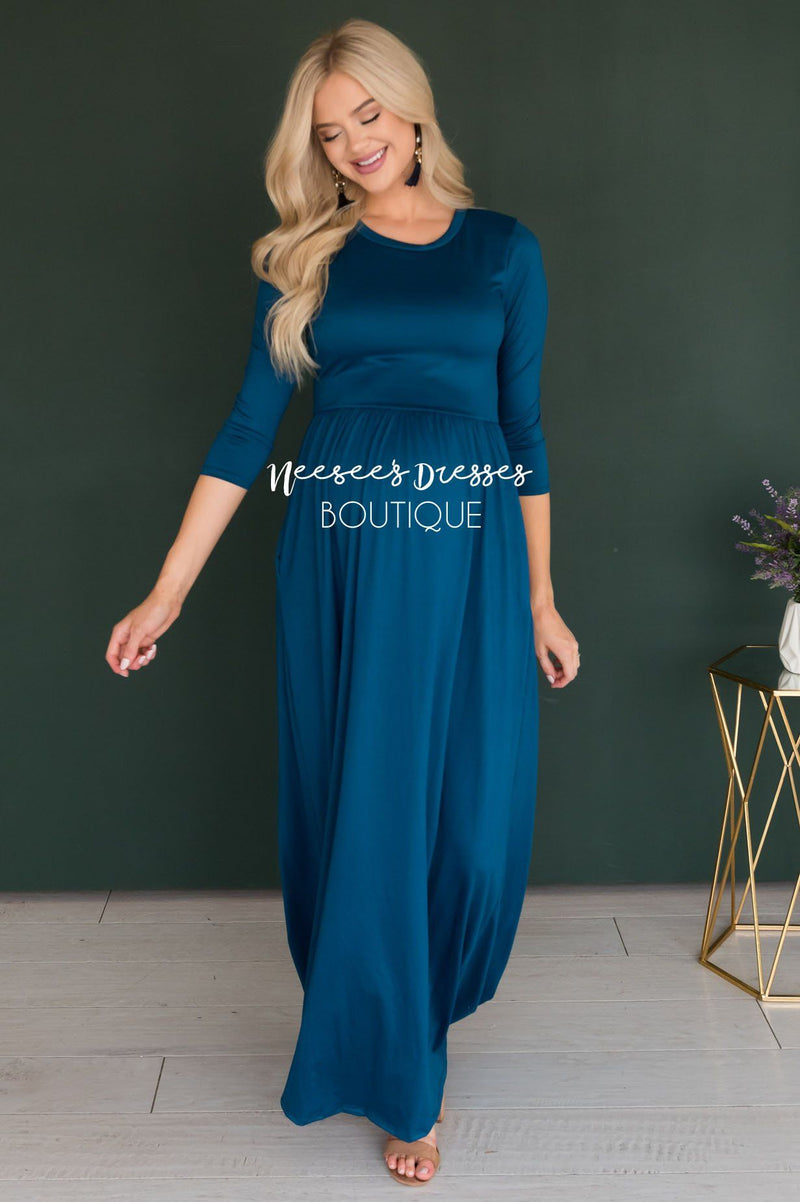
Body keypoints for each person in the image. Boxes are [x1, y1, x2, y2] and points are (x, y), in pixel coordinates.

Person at [105, 17, 579, 1187]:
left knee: (466, 826)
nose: (355, 141)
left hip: (468, 556)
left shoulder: (503, 249)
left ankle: (414, 1014)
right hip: (346, 554)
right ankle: (405, 1075)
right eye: (328, 131)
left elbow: (522, 433)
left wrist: (540, 597)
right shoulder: (303, 260)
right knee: (369, 812)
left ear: (411, 110)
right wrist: (166, 589)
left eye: (368, 114)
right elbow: (244, 434)